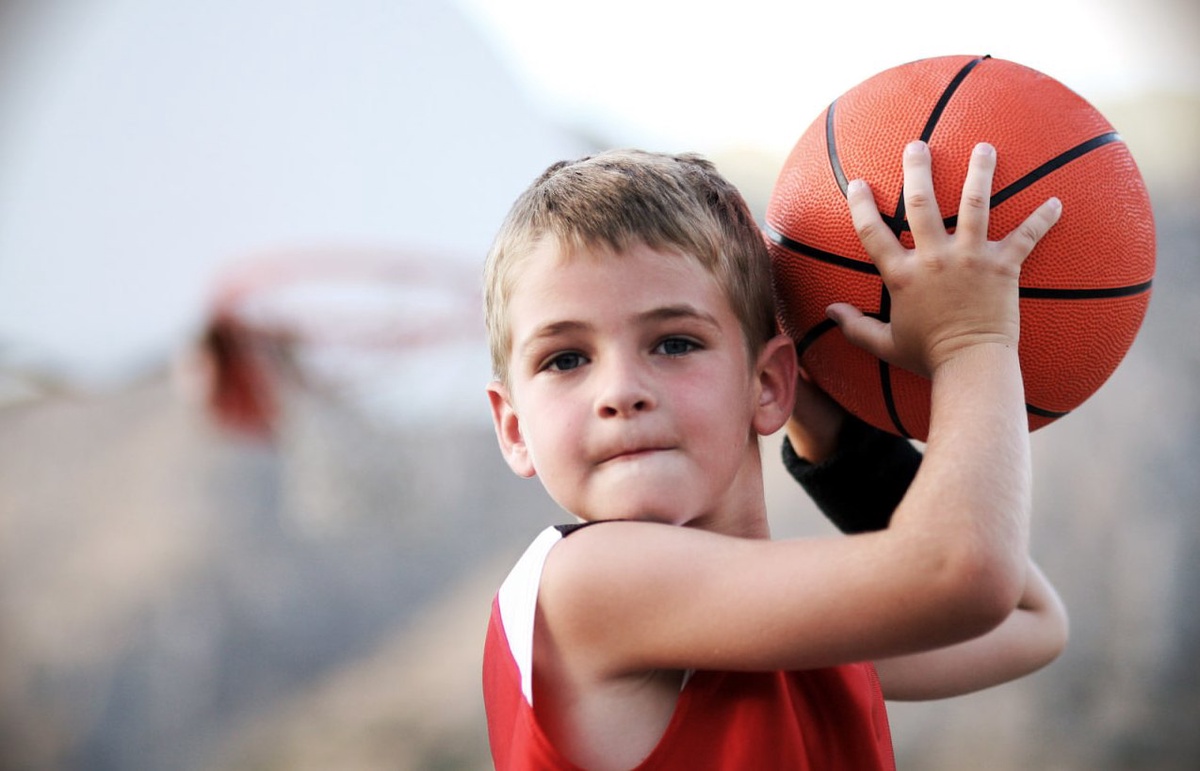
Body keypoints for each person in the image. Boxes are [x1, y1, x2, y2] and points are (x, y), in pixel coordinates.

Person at [481, 143, 1069, 770]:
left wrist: (841, 440)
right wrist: (970, 338)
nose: (621, 391)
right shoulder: (589, 584)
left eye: (674, 344)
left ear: (766, 385)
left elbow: (1027, 621)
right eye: (565, 359)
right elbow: (966, 579)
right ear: (514, 428)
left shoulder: (782, 627)